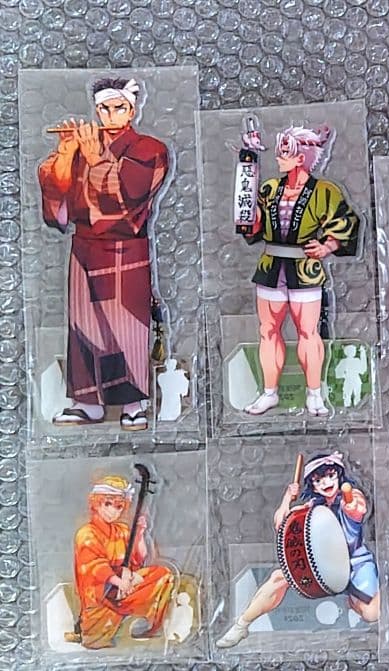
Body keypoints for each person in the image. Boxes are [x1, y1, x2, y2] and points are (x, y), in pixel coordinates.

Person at [38, 77, 170, 431]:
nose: (110, 115)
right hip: (84, 247)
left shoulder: (149, 149)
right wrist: (66, 154)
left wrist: (95, 156)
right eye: (104, 109)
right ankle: (87, 402)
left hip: (125, 248)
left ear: (132, 109)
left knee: (125, 327)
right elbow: (58, 202)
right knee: (83, 327)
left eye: (118, 108)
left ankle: (132, 404)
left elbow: (128, 196)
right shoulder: (84, 146)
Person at [240, 124, 360, 417]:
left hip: (305, 270)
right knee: (268, 331)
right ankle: (269, 392)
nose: (278, 157)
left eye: (284, 152)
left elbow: (346, 221)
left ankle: (314, 393)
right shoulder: (270, 188)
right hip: (271, 267)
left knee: (308, 332)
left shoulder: (324, 191)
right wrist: (248, 161)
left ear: (301, 157)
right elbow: (250, 221)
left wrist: (327, 246)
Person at [216, 452, 379, 647]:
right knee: (279, 577)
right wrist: (287, 498)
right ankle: (241, 625)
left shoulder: (348, 497)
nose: (326, 482)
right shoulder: (313, 507)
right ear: (313, 486)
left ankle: (355, 601)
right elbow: (282, 524)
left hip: (355, 563)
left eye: (330, 475)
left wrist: (352, 503)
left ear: (338, 475)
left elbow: (357, 507)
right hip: (323, 566)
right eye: (318, 480)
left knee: (372, 614)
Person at [71, 475, 175, 649]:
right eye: (107, 504)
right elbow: (94, 567)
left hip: (124, 588)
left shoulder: (122, 530)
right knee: (97, 637)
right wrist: (119, 582)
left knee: (163, 574)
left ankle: (149, 625)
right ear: (96, 504)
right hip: (103, 597)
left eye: (119, 506)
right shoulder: (86, 533)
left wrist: (139, 534)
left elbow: (138, 559)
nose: (113, 511)